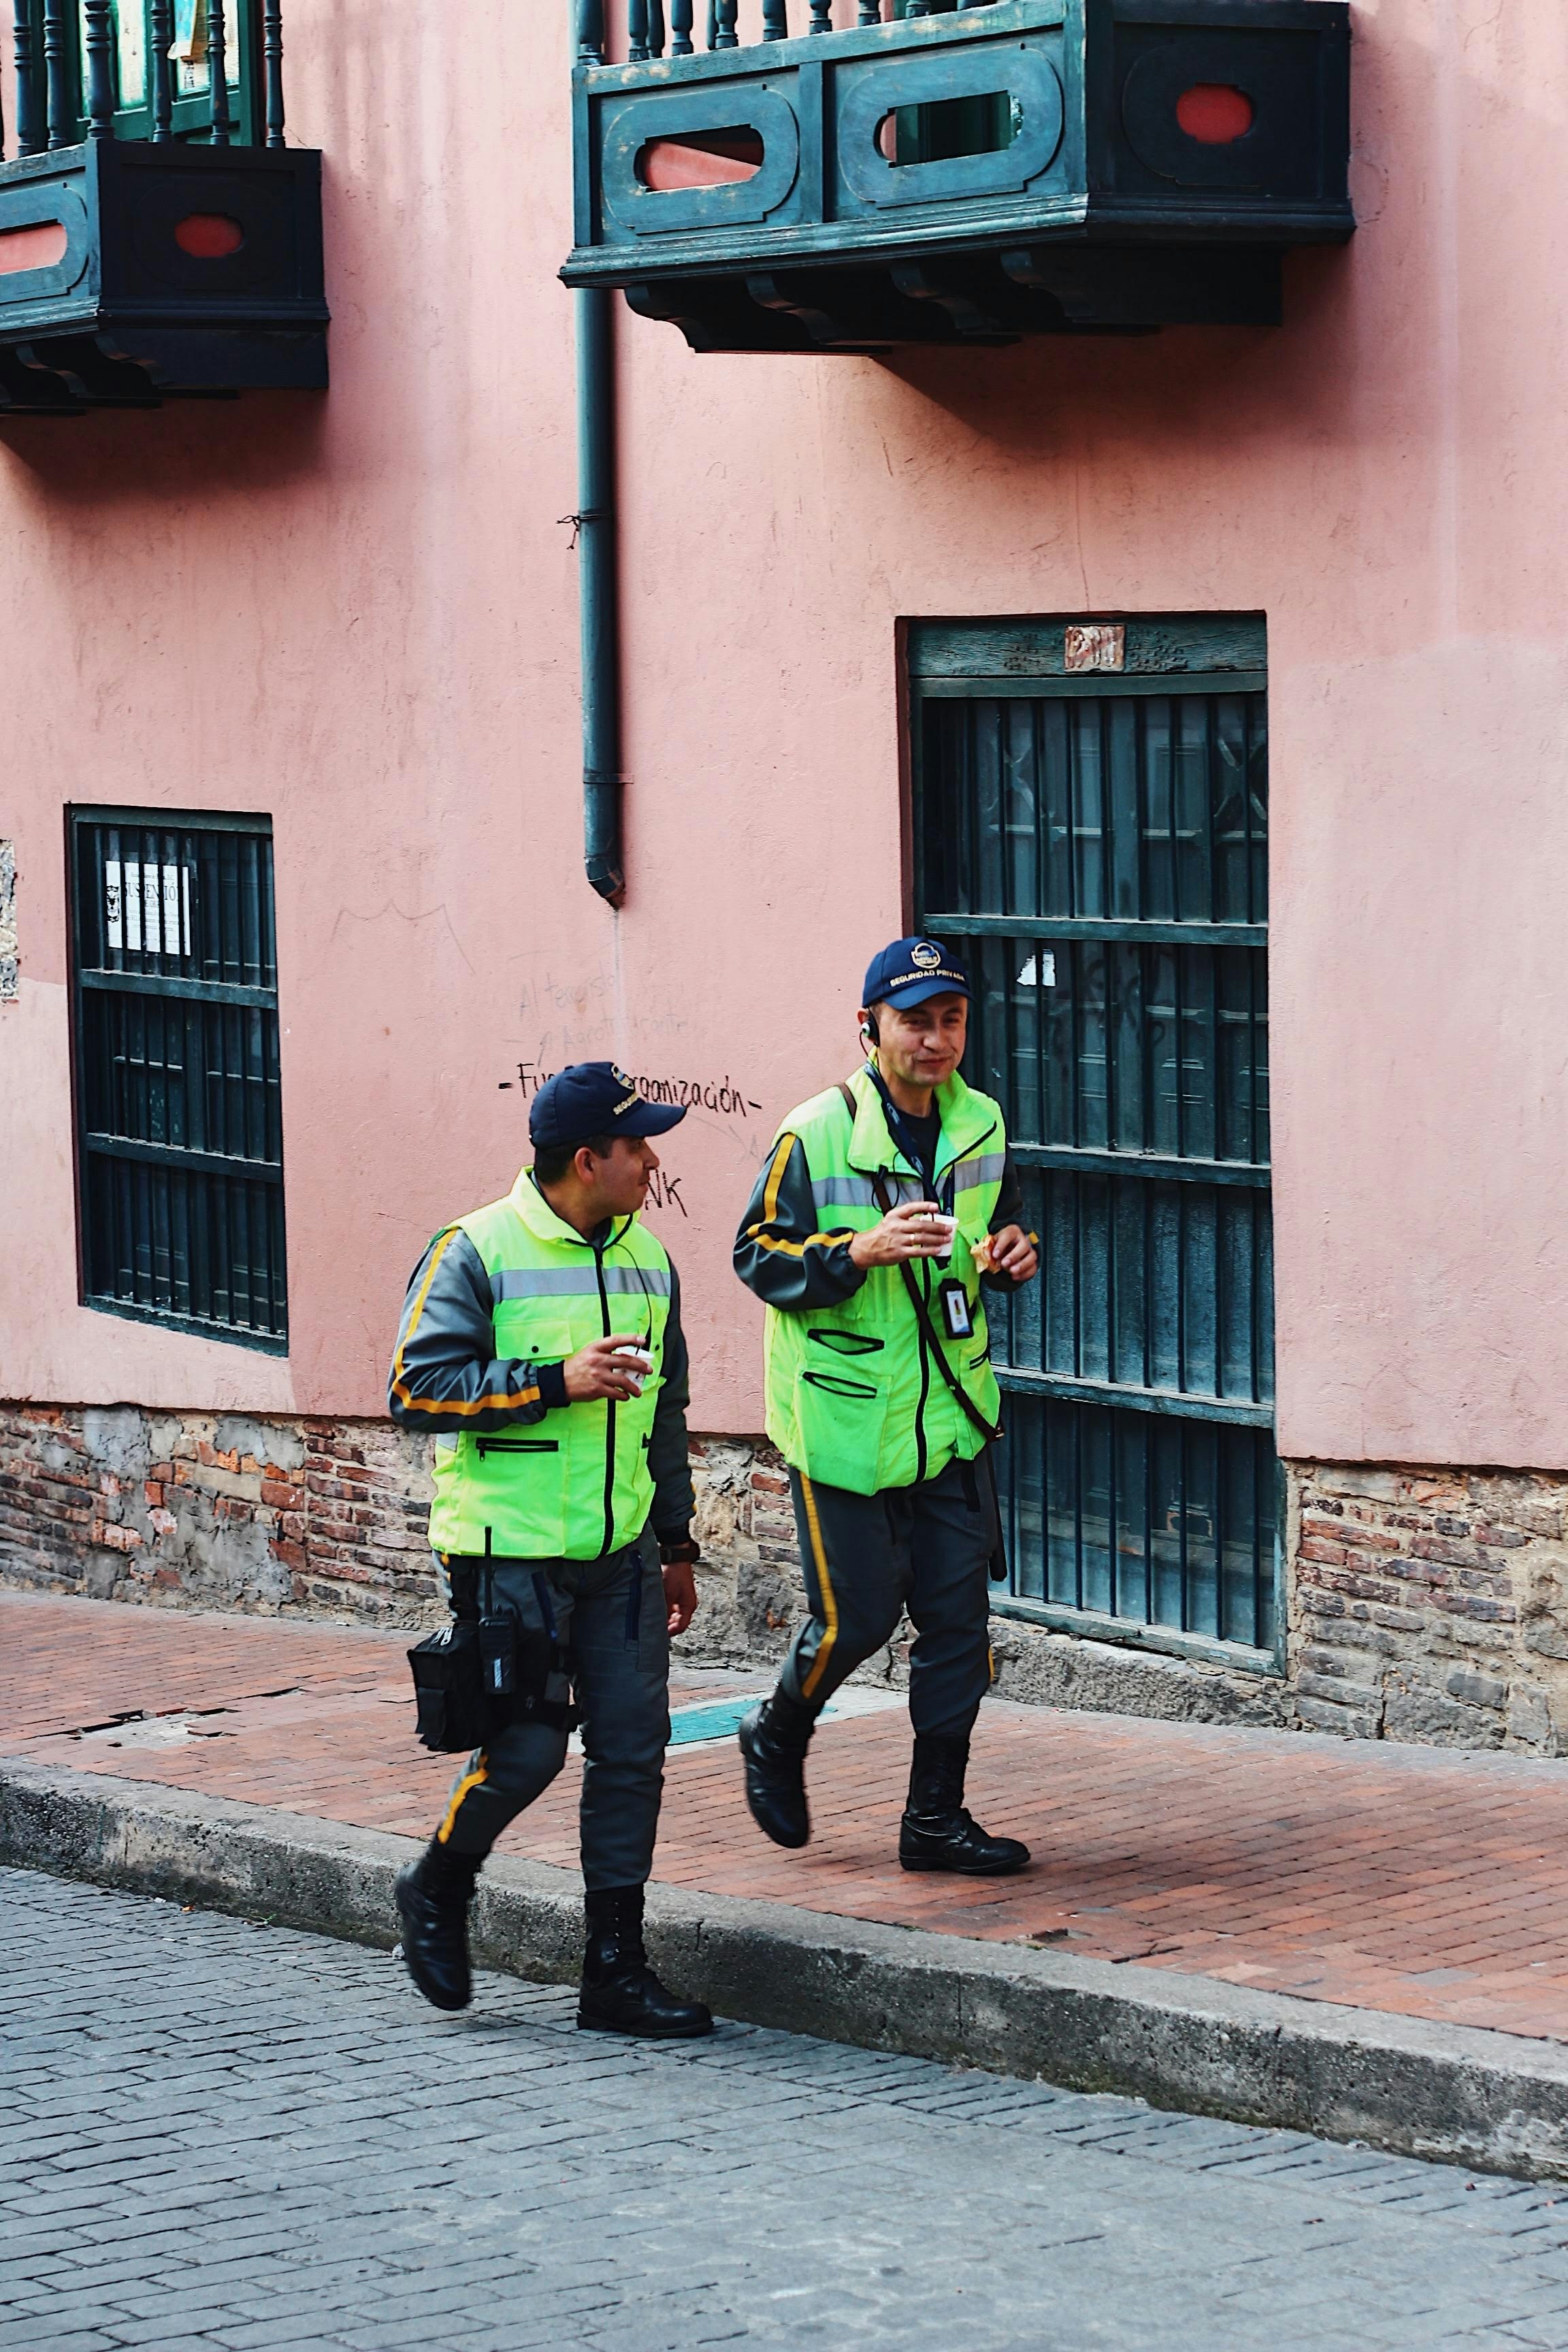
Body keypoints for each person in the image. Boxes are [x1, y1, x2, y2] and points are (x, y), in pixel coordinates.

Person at [387, 1061, 712, 2038]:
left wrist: (677, 1541)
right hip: (507, 1554)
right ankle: (437, 1885)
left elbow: (665, 1417)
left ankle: (614, 1972)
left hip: (618, 1559)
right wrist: (551, 1380)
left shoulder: (651, 1261)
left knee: (633, 1754)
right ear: (586, 1161)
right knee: (525, 1755)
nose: (652, 1161)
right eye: (637, 1146)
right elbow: (417, 1389)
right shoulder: (475, 1250)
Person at [732, 937, 1039, 1874]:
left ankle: (934, 1821)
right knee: (855, 1622)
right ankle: (777, 1733)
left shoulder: (981, 1123)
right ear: (870, 1029)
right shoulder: (816, 1132)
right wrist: (855, 1252)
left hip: (950, 1420)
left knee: (958, 1630)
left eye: (950, 1020)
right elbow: (756, 1257)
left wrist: (1014, 1257)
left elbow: (1001, 1229)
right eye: (915, 1022)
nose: (936, 1040)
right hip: (845, 1425)